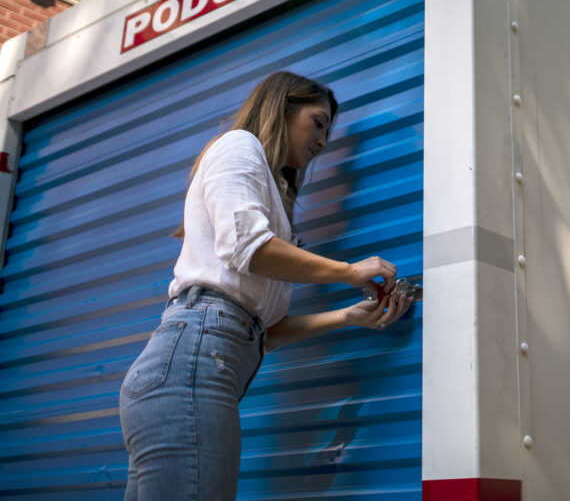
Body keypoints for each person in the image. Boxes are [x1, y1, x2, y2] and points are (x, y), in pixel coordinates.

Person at [119, 71, 413, 499]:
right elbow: (249, 247)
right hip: (191, 366)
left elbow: (266, 331)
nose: (323, 141)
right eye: (318, 122)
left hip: (194, 367)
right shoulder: (240, 146)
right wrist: (348, 272)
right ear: (283, 108)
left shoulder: (272, 190)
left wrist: (346, 316)